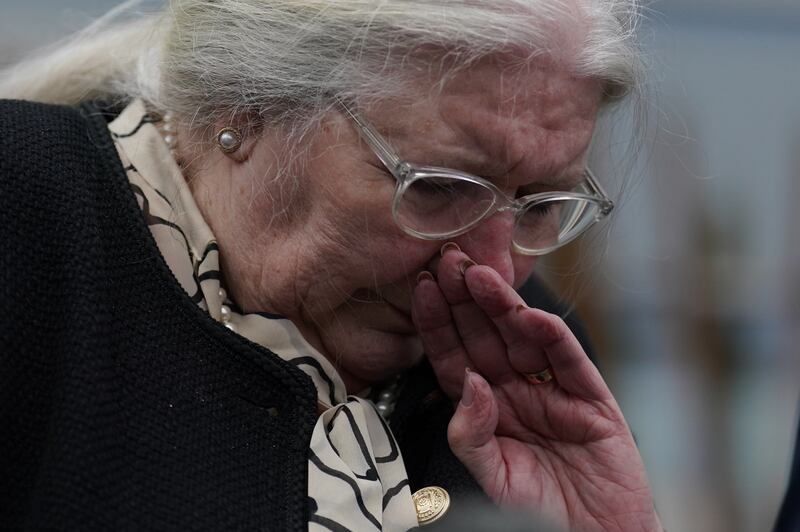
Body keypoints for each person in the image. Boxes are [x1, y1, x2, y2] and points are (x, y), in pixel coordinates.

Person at [0, 0, 663, 530]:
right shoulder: (27, 215)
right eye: (437, 187)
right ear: (245, 105)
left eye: (539, 206)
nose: (495, 269)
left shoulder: (528, 358)